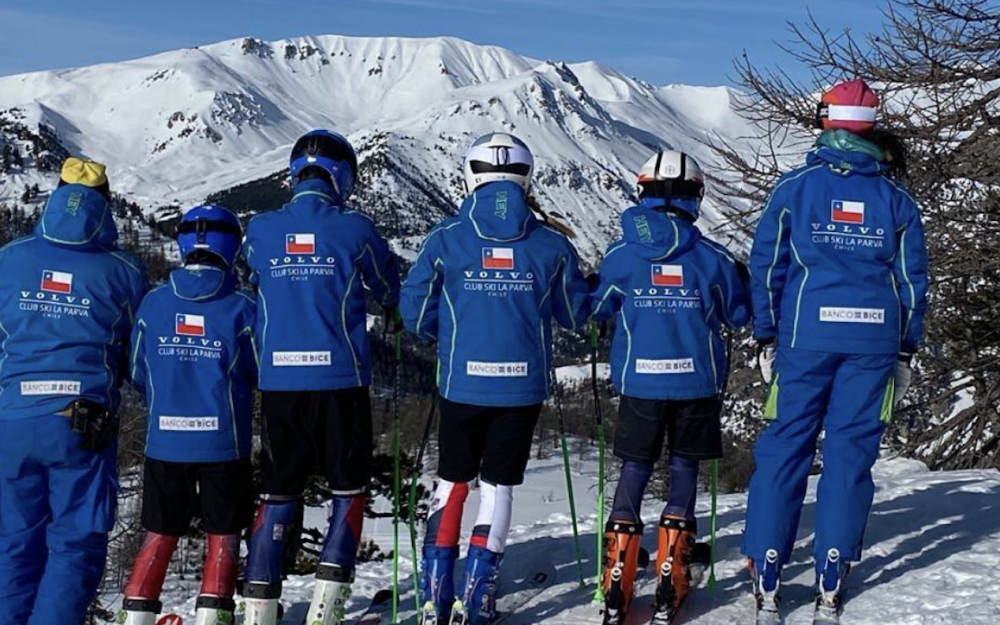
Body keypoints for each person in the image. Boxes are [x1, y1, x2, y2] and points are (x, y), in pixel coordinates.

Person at [741, 79, 929, 624]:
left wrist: (767, 335)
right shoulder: (897, 200)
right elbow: (912, 283)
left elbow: (767, 266)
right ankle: (831, 570)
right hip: (873, 341)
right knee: (851, 455)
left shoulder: (795, 188)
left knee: (785, 447)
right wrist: (905, 351)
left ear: (825, 121)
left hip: (806, 336)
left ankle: (769, 568)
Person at [399, 132, 590, 625]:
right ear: (527, 178)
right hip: (521, 386)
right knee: (498, 487)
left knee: (451, 482)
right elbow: (572, 314)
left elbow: (416, 314)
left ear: (471, 175)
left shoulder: (445, 239)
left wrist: (451, 330)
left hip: (463, 383)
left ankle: (434, 593)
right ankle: (478, 596)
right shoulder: (552, 244)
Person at [241, 130, 401, 625]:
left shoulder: (261, 228)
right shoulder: (356, 228)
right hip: (340, 380)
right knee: (347, 490)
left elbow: (247, 281)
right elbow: (389, 285)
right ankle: (327, 608)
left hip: (280, 383)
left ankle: (259, 608)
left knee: (278, 492)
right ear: (343, 177)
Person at [590, 150, 751, 625]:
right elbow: (738, 314)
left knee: (635, 467)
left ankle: (618, 568)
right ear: (695, 198)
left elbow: (598, 306)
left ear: (643, 193)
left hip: (640, 380)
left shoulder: (621, 256)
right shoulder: (713, 259)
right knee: (683, 468)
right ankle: (671, 571)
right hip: (696, 383)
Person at [0, 158, 147, 625]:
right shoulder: (124, 271)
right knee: (75, 544)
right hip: (81, 423)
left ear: (53, 196)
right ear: (105, 203)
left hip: (13, 421)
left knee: (13, 543)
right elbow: (136, 352)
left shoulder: (8, 259)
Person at [118, 206, 257, 625]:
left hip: (165, 441)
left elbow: (137, 370)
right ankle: (214, 612)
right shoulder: (241, 307)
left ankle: (138, 612)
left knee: (159, 532)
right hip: (224, 443)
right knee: (223, 533)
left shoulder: (154, 303)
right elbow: (258, 370)